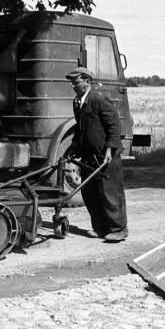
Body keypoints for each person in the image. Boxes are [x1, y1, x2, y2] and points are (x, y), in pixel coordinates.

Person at [66, 67, 128, 242]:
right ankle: (100, 227)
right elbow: (80, 130)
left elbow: (114, 126)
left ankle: (119, 229)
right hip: (88, 156)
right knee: (91, 193)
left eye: (76, 82)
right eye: (71, 83)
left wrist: (110, 149)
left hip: (105, 155)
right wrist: (73, 150)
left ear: (87, 81)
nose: (73, 86)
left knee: (109, 193)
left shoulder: (99, 98)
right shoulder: (77, 102)